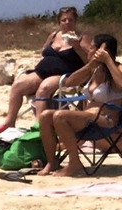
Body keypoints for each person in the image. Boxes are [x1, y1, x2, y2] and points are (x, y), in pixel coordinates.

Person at [0, 6, 91, 134]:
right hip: (43, 71)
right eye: (64, 20)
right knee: (18, 86)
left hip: (66, 74)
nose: (67, 23)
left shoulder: (81, 37)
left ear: (75, 21)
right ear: (59, 22)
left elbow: (89, 61)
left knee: (43, 88)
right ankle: (9, 122)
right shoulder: (54, 35)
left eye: (70, 20)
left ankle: (40, 127)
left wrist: (76, 47)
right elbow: (44, 51)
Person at [38, 34, 122, 177]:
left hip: (106, 120)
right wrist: (90, 65)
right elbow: (69, 82)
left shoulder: (117, 69)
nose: (88, 50)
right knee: (45, 116)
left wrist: (108, 61)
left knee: (60, 116)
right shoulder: (94, 69)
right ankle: (51, 162)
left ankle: (75, 163)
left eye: (92, 47)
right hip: (88, 119)